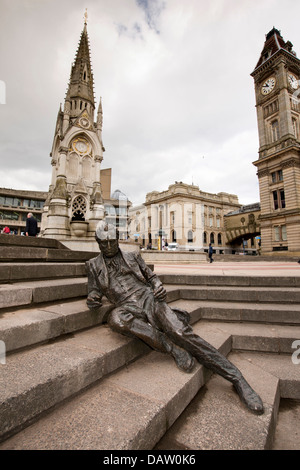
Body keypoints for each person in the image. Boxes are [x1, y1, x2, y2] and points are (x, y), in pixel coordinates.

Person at [85, 221, 264, 415]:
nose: (109, 247)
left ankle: (237, 378)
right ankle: (170, 347)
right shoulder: (93, 266)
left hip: (149, 300)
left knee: (180, 331)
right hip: (127, 307)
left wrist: (158, 287)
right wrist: (93, 298)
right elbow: (94, 290)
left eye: (112, 242)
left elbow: (152, 278)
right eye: (104, 244)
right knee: (116, 319)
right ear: (98, 243)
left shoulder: (133, 256)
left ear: (118, 240)